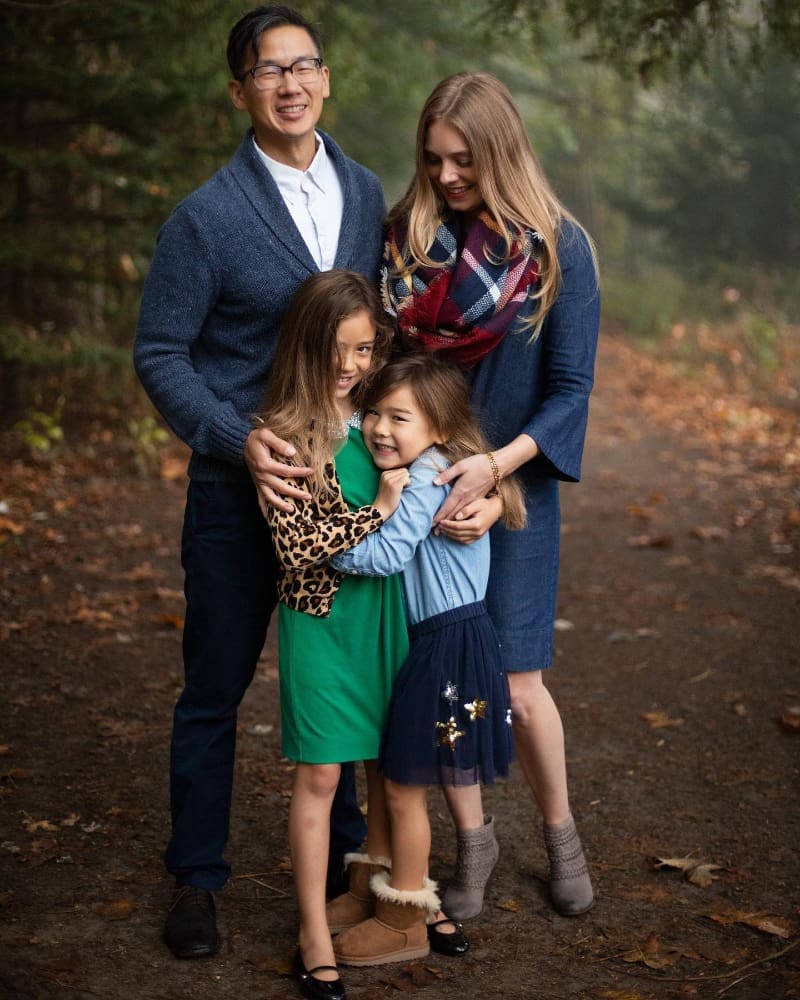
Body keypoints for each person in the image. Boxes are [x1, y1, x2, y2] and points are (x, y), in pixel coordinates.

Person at [133, 4, 384, 960]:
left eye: (305, 65)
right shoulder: (205, 217)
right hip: (240, 495)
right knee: (216, 687)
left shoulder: (364, 193)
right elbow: (161, 353)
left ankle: (345, 863)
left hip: (343, 493)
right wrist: (237, 438)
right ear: (240, 90)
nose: (290, 83)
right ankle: (195, 877)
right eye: (268, 70)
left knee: (343, 674)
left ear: (326, 79)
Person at [381, 72, 601, 920]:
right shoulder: (406, 240)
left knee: (516, 686)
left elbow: (572, 390)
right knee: (445, 679)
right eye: (433, 160)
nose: (445, 177)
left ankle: (560, 833)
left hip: (514, 488)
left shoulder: (558, 249)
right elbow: (392, 376)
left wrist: (494, 469)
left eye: (463, 161)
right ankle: (474, 841)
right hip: (428, 496)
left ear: (500, 152)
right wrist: (420, 473)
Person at [321, 354, 525, 967]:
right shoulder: (430, 455)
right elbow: (349, 425)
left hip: (447, 646)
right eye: (374, 413)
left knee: (406, 785)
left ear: (438, 427)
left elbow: (384, 555)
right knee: (391, 773)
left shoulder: (434, 473)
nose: (381, 429)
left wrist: (320, 551)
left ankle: (407, 917)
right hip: (441, 641)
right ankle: (379, 893)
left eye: (399, 418)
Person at [257, 269, 410, 1000]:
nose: (351, 367)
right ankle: (314, 930)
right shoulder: (282, 433)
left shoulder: (386, 414)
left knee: (388, 767)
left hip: (384, 614)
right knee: (321, 774)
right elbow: (297, 547)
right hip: (319, 619)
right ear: (306, 346)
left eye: (364, 350)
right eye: (337, 351)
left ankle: (392, 899)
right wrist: (379, 508)